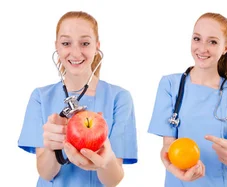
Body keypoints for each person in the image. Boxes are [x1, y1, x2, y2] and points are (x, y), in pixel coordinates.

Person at [17, 11, 138, 187]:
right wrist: (53, 148)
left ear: (97, 46)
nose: (75, 52)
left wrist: (105, 158)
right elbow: (45, 173)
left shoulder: (119, 98)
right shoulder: (40, 97)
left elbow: (113, 180)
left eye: (85, 43)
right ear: (57, 47)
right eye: (66, 43)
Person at [147, 12, 227, 187]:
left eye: (213, 42)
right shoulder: (170, 85)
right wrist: (174, 168)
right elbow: (167, 147)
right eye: (197, 39)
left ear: (226, 48)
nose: (202, 48)